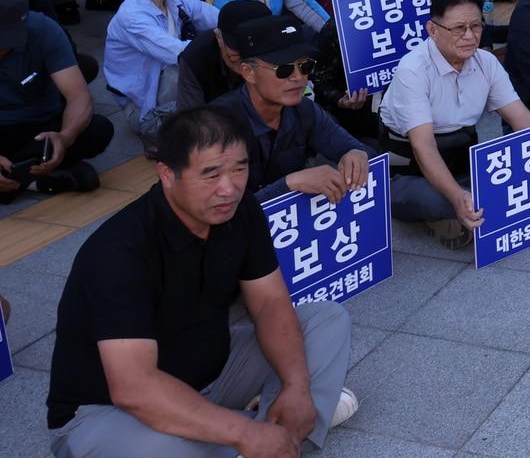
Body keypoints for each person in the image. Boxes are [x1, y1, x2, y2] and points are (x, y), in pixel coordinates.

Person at [46, 105, 357, 457]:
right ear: (167, 173)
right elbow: (134, 388)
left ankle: (275, 431)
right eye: (210, 174)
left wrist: (297, 386)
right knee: (163, 450)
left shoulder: (241, 211)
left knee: (326, 320)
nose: (229, 189)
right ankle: (259, 431)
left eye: (240, 169)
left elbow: (270, 303)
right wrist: (242, 431)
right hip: (109, 411)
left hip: (213, 373)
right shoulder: (119, 251)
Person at [378, 0, 530, 248]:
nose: (469, 36)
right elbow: (423, 146)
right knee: (441, 200)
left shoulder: (486, 62)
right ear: (433, 30)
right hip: (412, 171)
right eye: (459, 28)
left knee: (519, 178)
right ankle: (451, 209)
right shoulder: (412, 70)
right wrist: (456, 196)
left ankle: (465, 205)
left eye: (476, 26)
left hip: (464, 162)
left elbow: (522, 119)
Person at [212, 14, 369, 203]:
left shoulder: (304, 110)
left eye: (305, 66)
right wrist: (289, 184)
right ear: (249, 72)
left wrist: (356, 153)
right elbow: (222, 211)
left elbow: (349, 146)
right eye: (283, 69)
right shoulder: (216, 127)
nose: (297, 77)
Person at [0, 0, 111, 200]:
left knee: (98, 129)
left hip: (40, 126)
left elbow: (78, 95)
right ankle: (33, 179)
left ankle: (16, 177)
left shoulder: (42, 29)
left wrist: (65, 137)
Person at [103, 0, 220, 147]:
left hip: (168, 87)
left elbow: (217, 18)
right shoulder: (131, 16)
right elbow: (179, 54)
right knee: (187, 64)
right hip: (143, 109)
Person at [311, 0, 396, 139]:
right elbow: (320, 78)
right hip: (354, 121)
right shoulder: (337, 26)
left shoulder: (407, 18)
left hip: (400, 113)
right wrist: (341, 100)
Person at [176, 0, 271, 110]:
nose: (246, 62)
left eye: (255, 50)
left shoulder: (285, 48)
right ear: (219, 38)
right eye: (237, 54)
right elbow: (190, 117)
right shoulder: (196, 57)